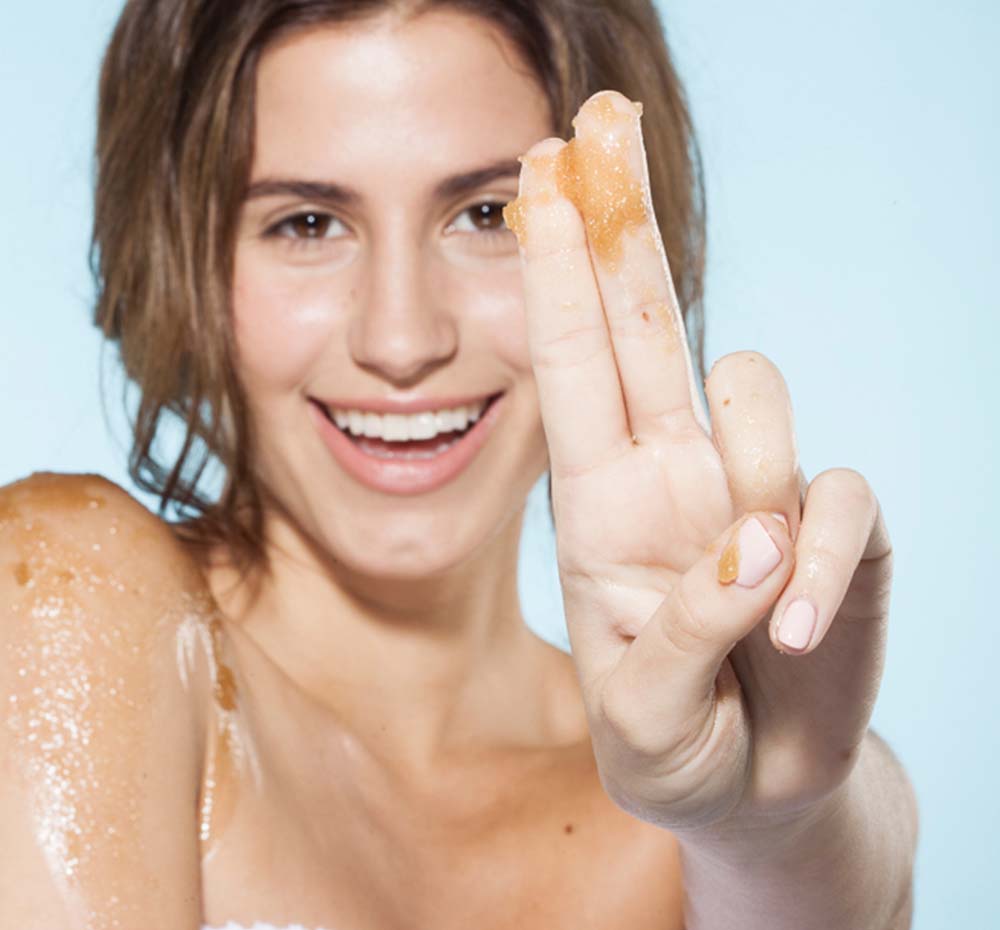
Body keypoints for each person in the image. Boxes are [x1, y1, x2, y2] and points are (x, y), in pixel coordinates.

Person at [0, 0, 918, 927]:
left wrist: (780, 822)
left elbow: (842, 846)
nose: (401, 340)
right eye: (308, 224)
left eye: (487, 214)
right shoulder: (66, 595)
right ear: (178, 259)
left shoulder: (696, 815)